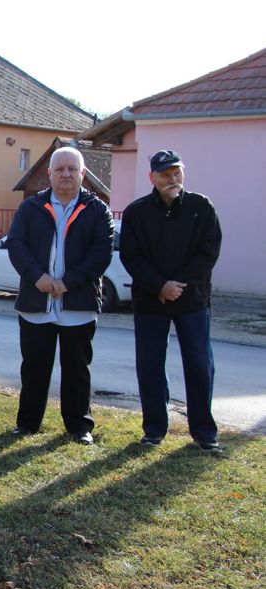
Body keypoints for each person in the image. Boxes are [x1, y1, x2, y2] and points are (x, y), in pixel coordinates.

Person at [6, 147, 114, 445]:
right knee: (34, 369)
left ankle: (79, 427)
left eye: (72, 169)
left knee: (77, 369)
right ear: (49, 174)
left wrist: (68, 282)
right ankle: (27, 424)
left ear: (83, 174)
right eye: (60, 169)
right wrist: (38, 277)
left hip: (78, 303)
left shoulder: (97, 210)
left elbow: (101, 254)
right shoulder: (30, 207)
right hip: (36, 302)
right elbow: (16, 245)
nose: (66, 174)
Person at [119, 150, 223, 453]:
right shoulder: (136, 212)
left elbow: (209, 251)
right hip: (151, 301)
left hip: (192, 300)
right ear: (152, 178)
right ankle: (154, 429)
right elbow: (131, 256)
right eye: (165, 174)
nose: (172, 179)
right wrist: (160, 285)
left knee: (199, 364)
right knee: (150, 364)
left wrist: (177, 284)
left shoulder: (201, 207)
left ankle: (204, 433)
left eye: (176, 172)